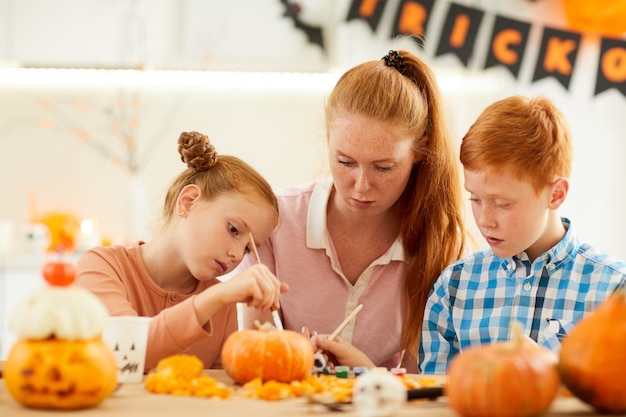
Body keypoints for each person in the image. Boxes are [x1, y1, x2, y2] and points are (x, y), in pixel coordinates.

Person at [237, 50, 468, 372]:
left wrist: (366, 374)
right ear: (328, 139)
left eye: (383, 167)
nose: (360, 186)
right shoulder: (272, 222)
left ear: (420, 150)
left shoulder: (440, 245)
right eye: (345, 162)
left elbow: (424, 385)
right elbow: (251, 354)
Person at [418, 95, 626, 374]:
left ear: (556, 194)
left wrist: (551, 370)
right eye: (475, 199)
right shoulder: (453, 289)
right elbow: (438, 402)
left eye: (503, 204)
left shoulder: (614, 292)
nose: (484, 220)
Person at [76, 131, 288, 370]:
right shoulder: (102, 265)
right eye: (233, 229)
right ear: (188, 202)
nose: (237, 255)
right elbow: (127, 353)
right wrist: (215, 299)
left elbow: (220, 394)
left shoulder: (222, 304)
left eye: (248, 248)